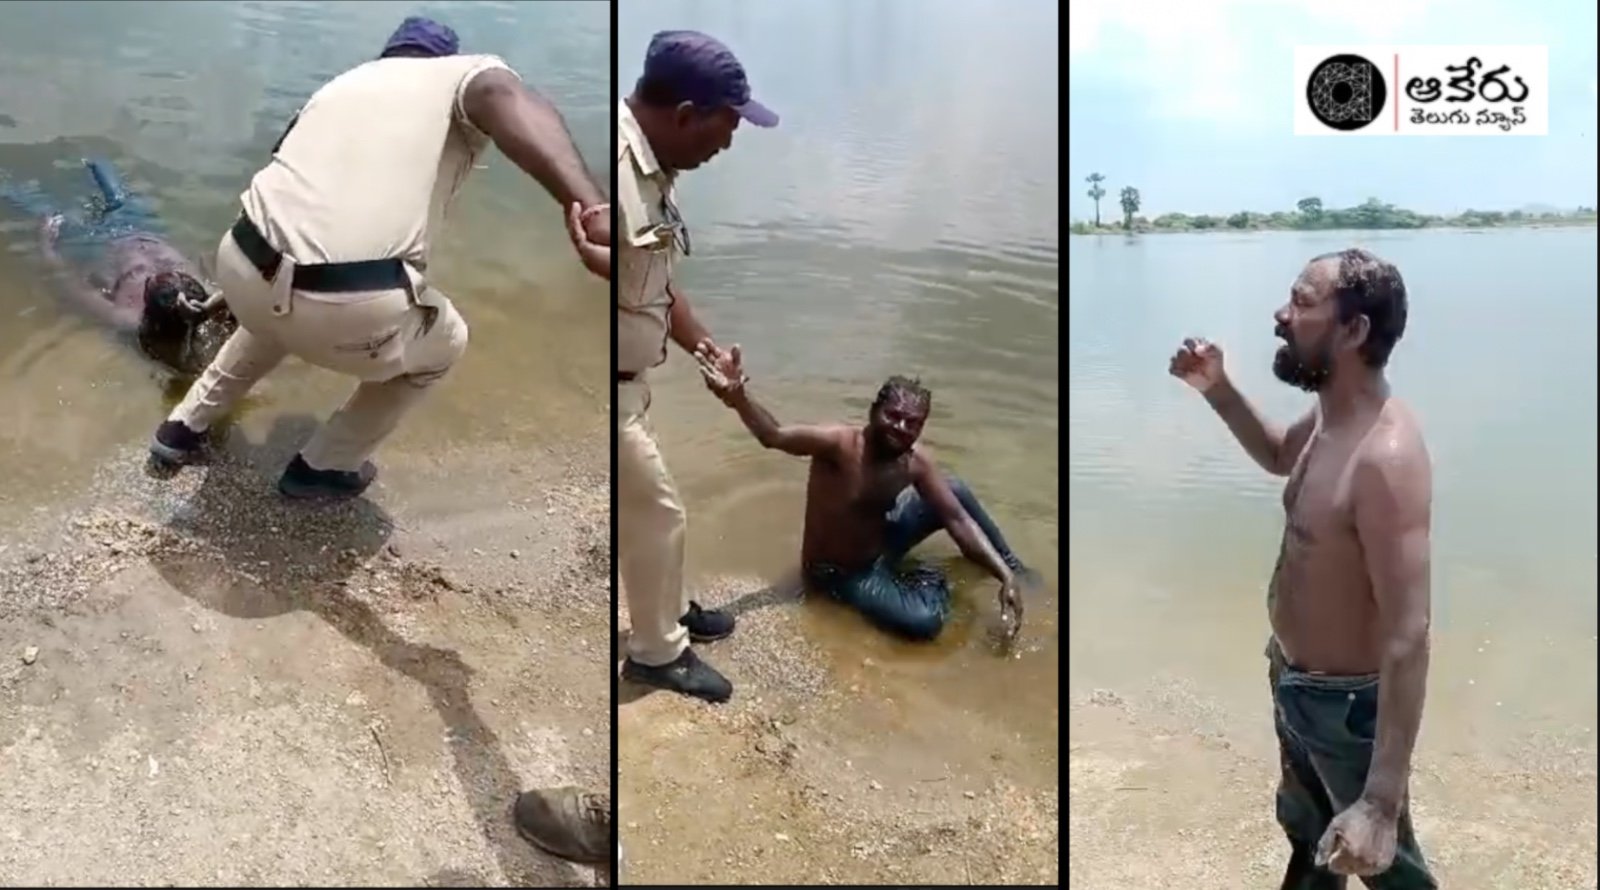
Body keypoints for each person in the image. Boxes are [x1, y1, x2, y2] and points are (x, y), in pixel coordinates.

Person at [147, 15, 610, 500]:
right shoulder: (458, 76)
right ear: (443, 60)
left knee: (279, 296)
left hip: (241, 264)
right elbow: (498, 93)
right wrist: (589, 205)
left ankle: (182, 429)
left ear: (388, 55)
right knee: (445, 345)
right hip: (345, 310)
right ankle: (324, 466)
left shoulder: (338, 87)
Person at [1168, 248, 1435, 888]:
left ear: (1354, 330)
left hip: (1347, 708)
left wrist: (1381, 800)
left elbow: (1408, 636)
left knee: (1389, 869)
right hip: (1294, 681)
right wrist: (1217, 389)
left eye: (1301, 302)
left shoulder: (1385, 457)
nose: (1280, 315)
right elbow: (1276, 454)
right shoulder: (1329, 416)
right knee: (1311, 841)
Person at [614, 30, 777, 704]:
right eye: (727, 126)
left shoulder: (654, 170)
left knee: (649, 504)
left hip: (631, 383)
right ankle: (656, 654)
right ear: (685, 114)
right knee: (658, 511)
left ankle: (672, 609)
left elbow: (655, 286)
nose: (730, 144)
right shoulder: (615, 171)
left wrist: (708, 352)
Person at [698, 350, 1031, 643]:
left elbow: (957, 519)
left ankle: (1015, 572)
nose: (900, 427)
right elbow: (774, 435)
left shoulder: (914, 461)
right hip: (841, 573)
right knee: (924, 623)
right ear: (874, 410)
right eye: (893, 416)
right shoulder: (839, 444)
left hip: (882, 542)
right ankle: (932, 578)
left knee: (953, 490)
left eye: (912, 423)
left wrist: (1005, 575)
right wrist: (739, 398)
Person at [0, 158, 236, 376]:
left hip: (97, 239)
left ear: (149, 309)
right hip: (144, 224)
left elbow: (70, 287)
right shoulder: (204, 299)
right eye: (171, 267)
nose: (152, 272)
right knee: (111, 183)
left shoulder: (127, 318)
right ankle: (86, 154)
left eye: (144, 279)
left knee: (43, 209)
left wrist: (46, 244)